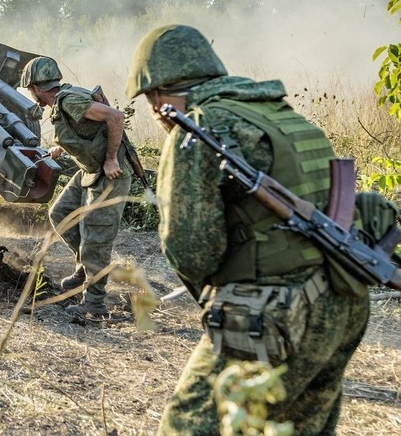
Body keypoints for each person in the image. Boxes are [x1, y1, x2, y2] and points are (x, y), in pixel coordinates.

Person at [126, 24, 372, 434]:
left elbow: (191, 252)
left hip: (278, 313)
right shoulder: (282, 115)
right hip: (344, 302)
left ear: (156, 96)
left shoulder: (198, 128)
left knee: (186, 425)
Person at [20, 56, 133, 317]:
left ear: (36, 88)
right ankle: (84, 267)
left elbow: (115, 117)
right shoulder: (64, 103)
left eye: (30, 90)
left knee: (96, 237)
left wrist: (111, 159)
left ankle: (94, 304)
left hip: (109, 174)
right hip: (89, 170)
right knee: (60, 214)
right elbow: (86, 129)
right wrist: (61, 148)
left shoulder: (70, 100)